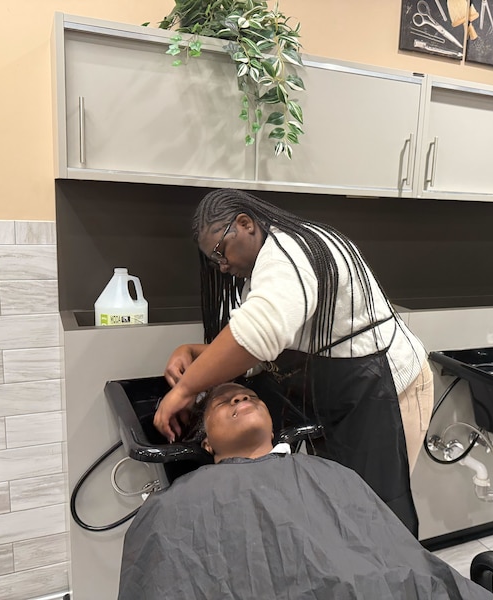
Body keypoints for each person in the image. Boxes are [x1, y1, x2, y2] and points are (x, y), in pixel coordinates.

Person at [153, 188, 434, 534]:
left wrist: (184, 390)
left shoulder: (288, 253)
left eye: (220, 252)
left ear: (245, 224)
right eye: (215, 262)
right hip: (345, 394)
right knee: (346, 518)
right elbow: (264, 345)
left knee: (375, 521)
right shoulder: (263, 271)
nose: (223, 267)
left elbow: (261, 333)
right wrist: (195, 353)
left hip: (390, 390)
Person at [119, 383, 493, 600]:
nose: (240, 400)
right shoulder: (172, 508)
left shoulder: (330, 474)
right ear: (207, 445)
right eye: (224, 403)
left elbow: (404, 566)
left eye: (249, 397)